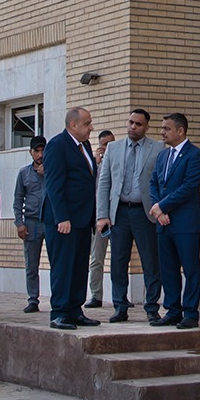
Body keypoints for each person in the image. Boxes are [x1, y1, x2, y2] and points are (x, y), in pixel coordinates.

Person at [96, 107, 164, 323]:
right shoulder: (113, 148)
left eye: (138, 124)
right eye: (130, 122)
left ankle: (152, 307)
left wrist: (161, 209)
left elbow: (162, 182)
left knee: (151, 261)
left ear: (147, 127)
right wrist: (102, 215)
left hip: (145, 213)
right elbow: (104, 182)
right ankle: (120, 306)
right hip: (120, 213)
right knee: (118, 261)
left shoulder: (158, 148)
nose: (133, 127)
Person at [147, 112, 200, 329]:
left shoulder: (195, 155)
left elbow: (189, 187)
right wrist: (158, 210)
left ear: (180, 131)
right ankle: (173, 310)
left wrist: (162, 206)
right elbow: (154, 183)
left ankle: (190, 313)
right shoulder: (162, 156)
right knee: (168, 269)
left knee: (190, 268)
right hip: (164, 223)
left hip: (185, 223)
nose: (162, 132)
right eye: (162, 128)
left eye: (166, 128)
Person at [40, 106, 97, 330]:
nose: (91, 127)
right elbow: (54, 185)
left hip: (83, 218)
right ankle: (59, 312)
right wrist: (62, 217)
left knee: (79, 265)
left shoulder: (85, 145)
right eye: (87, 123)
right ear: (73, 125)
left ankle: (75, 309)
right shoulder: (57, 145)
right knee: (63, 266)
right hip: (63, 220)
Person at [13, 136, 47, 312]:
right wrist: (19, 223)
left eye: (43, 150)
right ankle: (33, 299)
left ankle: (59, 299)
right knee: (31, 264)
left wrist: (46, 174)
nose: (40, 155)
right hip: (32, 222)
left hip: (51, 221)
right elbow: (18, 199)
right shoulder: (24, 173)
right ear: (31, 152)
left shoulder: (53, 171)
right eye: (37, 151)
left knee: (58, 262)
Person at [85, 128, 115, 308]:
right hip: (100, 218)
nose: (108, 147)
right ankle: (96, 295)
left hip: (117, 216)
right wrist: (96, 164)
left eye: (111, 143)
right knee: (96, 258)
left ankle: (121, 295)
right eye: (104, 145)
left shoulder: (118, 160)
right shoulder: (94, 164)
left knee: (120, 258)